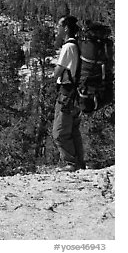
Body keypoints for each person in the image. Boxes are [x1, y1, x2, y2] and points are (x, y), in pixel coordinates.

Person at [52, 15, 85, 172]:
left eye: (59, 25)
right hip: (76, 93)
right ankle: (79, 162)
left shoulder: (68, 47)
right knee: (73, 130)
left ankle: (70, 163)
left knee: (59, 131)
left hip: (66, 93)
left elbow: (57, 72)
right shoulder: (77, 45)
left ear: (66, 28)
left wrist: (53, 74)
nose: (57, 28)